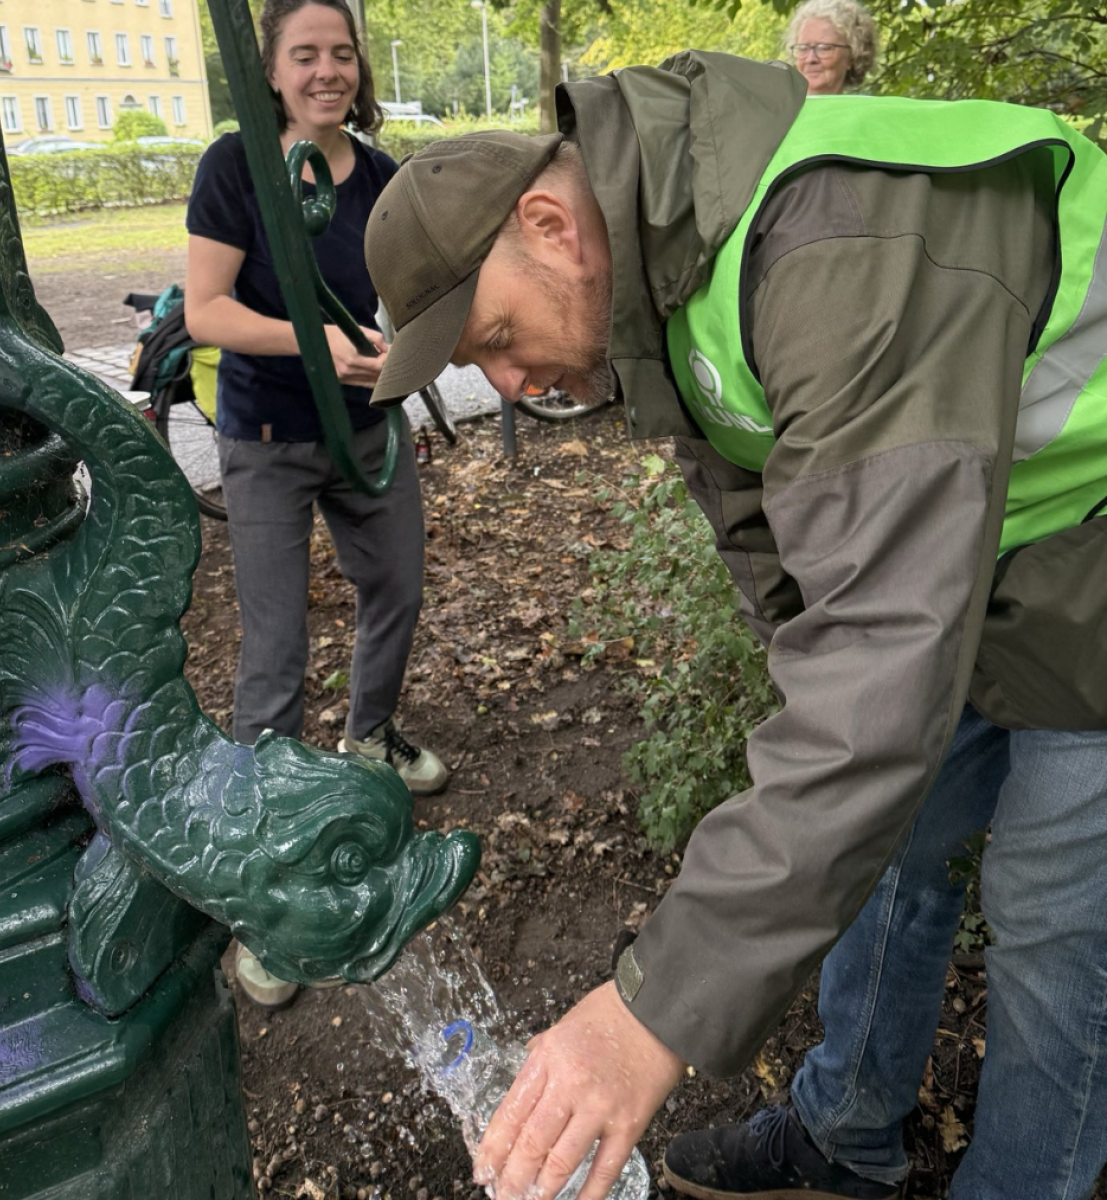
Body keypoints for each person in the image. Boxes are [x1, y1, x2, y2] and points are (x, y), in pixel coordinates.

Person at [362, 50, 1107, 1200]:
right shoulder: (672, 274)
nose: (507, 387)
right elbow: (776, 545)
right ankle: (843, 1132)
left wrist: (651, 1011)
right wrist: (834, 755)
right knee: (889, 841)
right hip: (978, 543)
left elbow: (880, 663)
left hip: (1091, 561)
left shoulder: (831, 250)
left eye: (495, 339)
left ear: (551, 223)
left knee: (1053, 923)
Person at [184, 0, 448, 1010]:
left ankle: (369, 737)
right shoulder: (236, 166)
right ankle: (264, 886)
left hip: (365, 429)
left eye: (342, 53)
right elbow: (207, 310)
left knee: (399, 589)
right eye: (306, 54)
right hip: (266, 441)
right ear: (272, 68)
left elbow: (410, 298)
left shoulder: (377, 176)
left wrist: (397, 353)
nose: (328, 70)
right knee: (275, 654)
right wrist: (313, 344)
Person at [785, 0, 878, 95]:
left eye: (824, 48)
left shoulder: (868, 109)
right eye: (803, 48)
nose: (810, 59)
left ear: (852, 56)